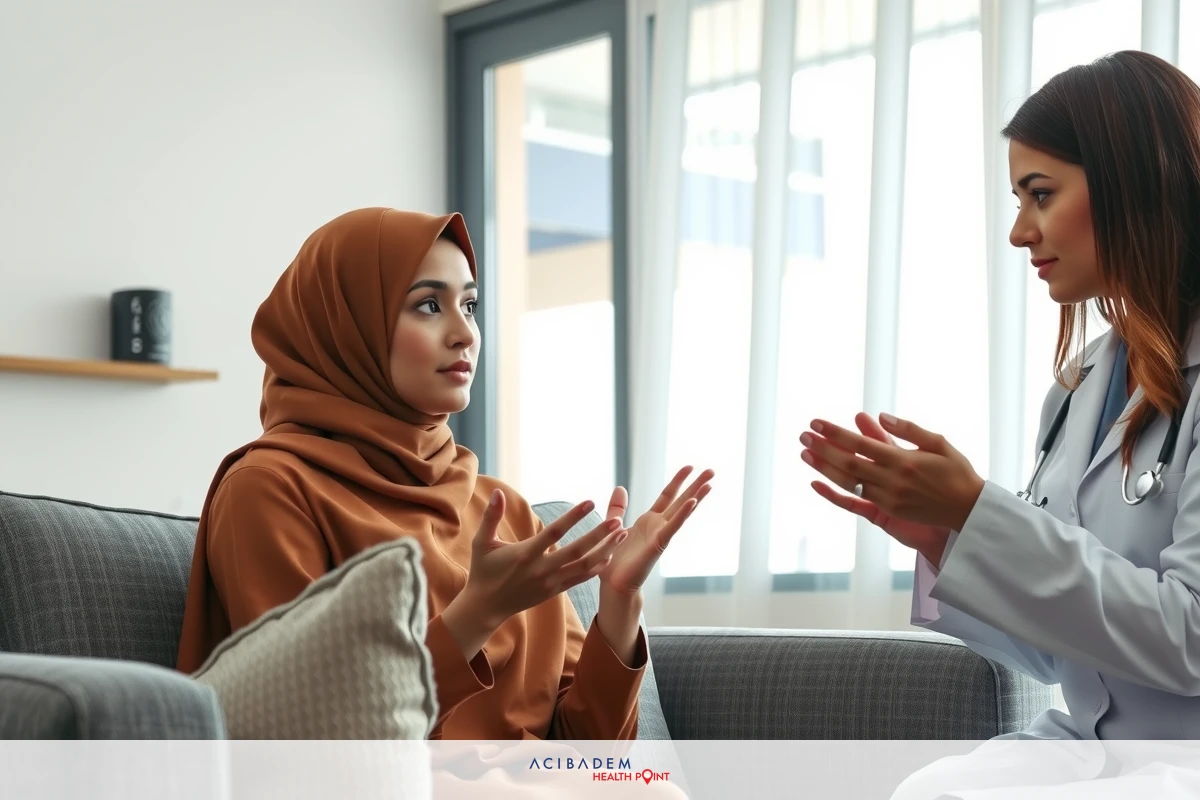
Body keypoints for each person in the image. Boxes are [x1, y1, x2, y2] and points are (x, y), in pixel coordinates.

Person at [175, 207, 713, 744]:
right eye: (429, 305)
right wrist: (480, 611)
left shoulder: (502, 507)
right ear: (346, 325)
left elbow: (589, 754)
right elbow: (315, 735)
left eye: (470, 305)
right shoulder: (270, 489)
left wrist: (619, 600)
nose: (464, 334)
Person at [801, 49, 1200, 745]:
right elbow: (1058, 656)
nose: (1020, 232)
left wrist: (979, 511)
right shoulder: (1077, 394)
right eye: (1018, 202)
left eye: (1041, 195)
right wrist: (949, 538)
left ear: (1134, 184)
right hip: (1093, 753)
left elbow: (1189, 640)